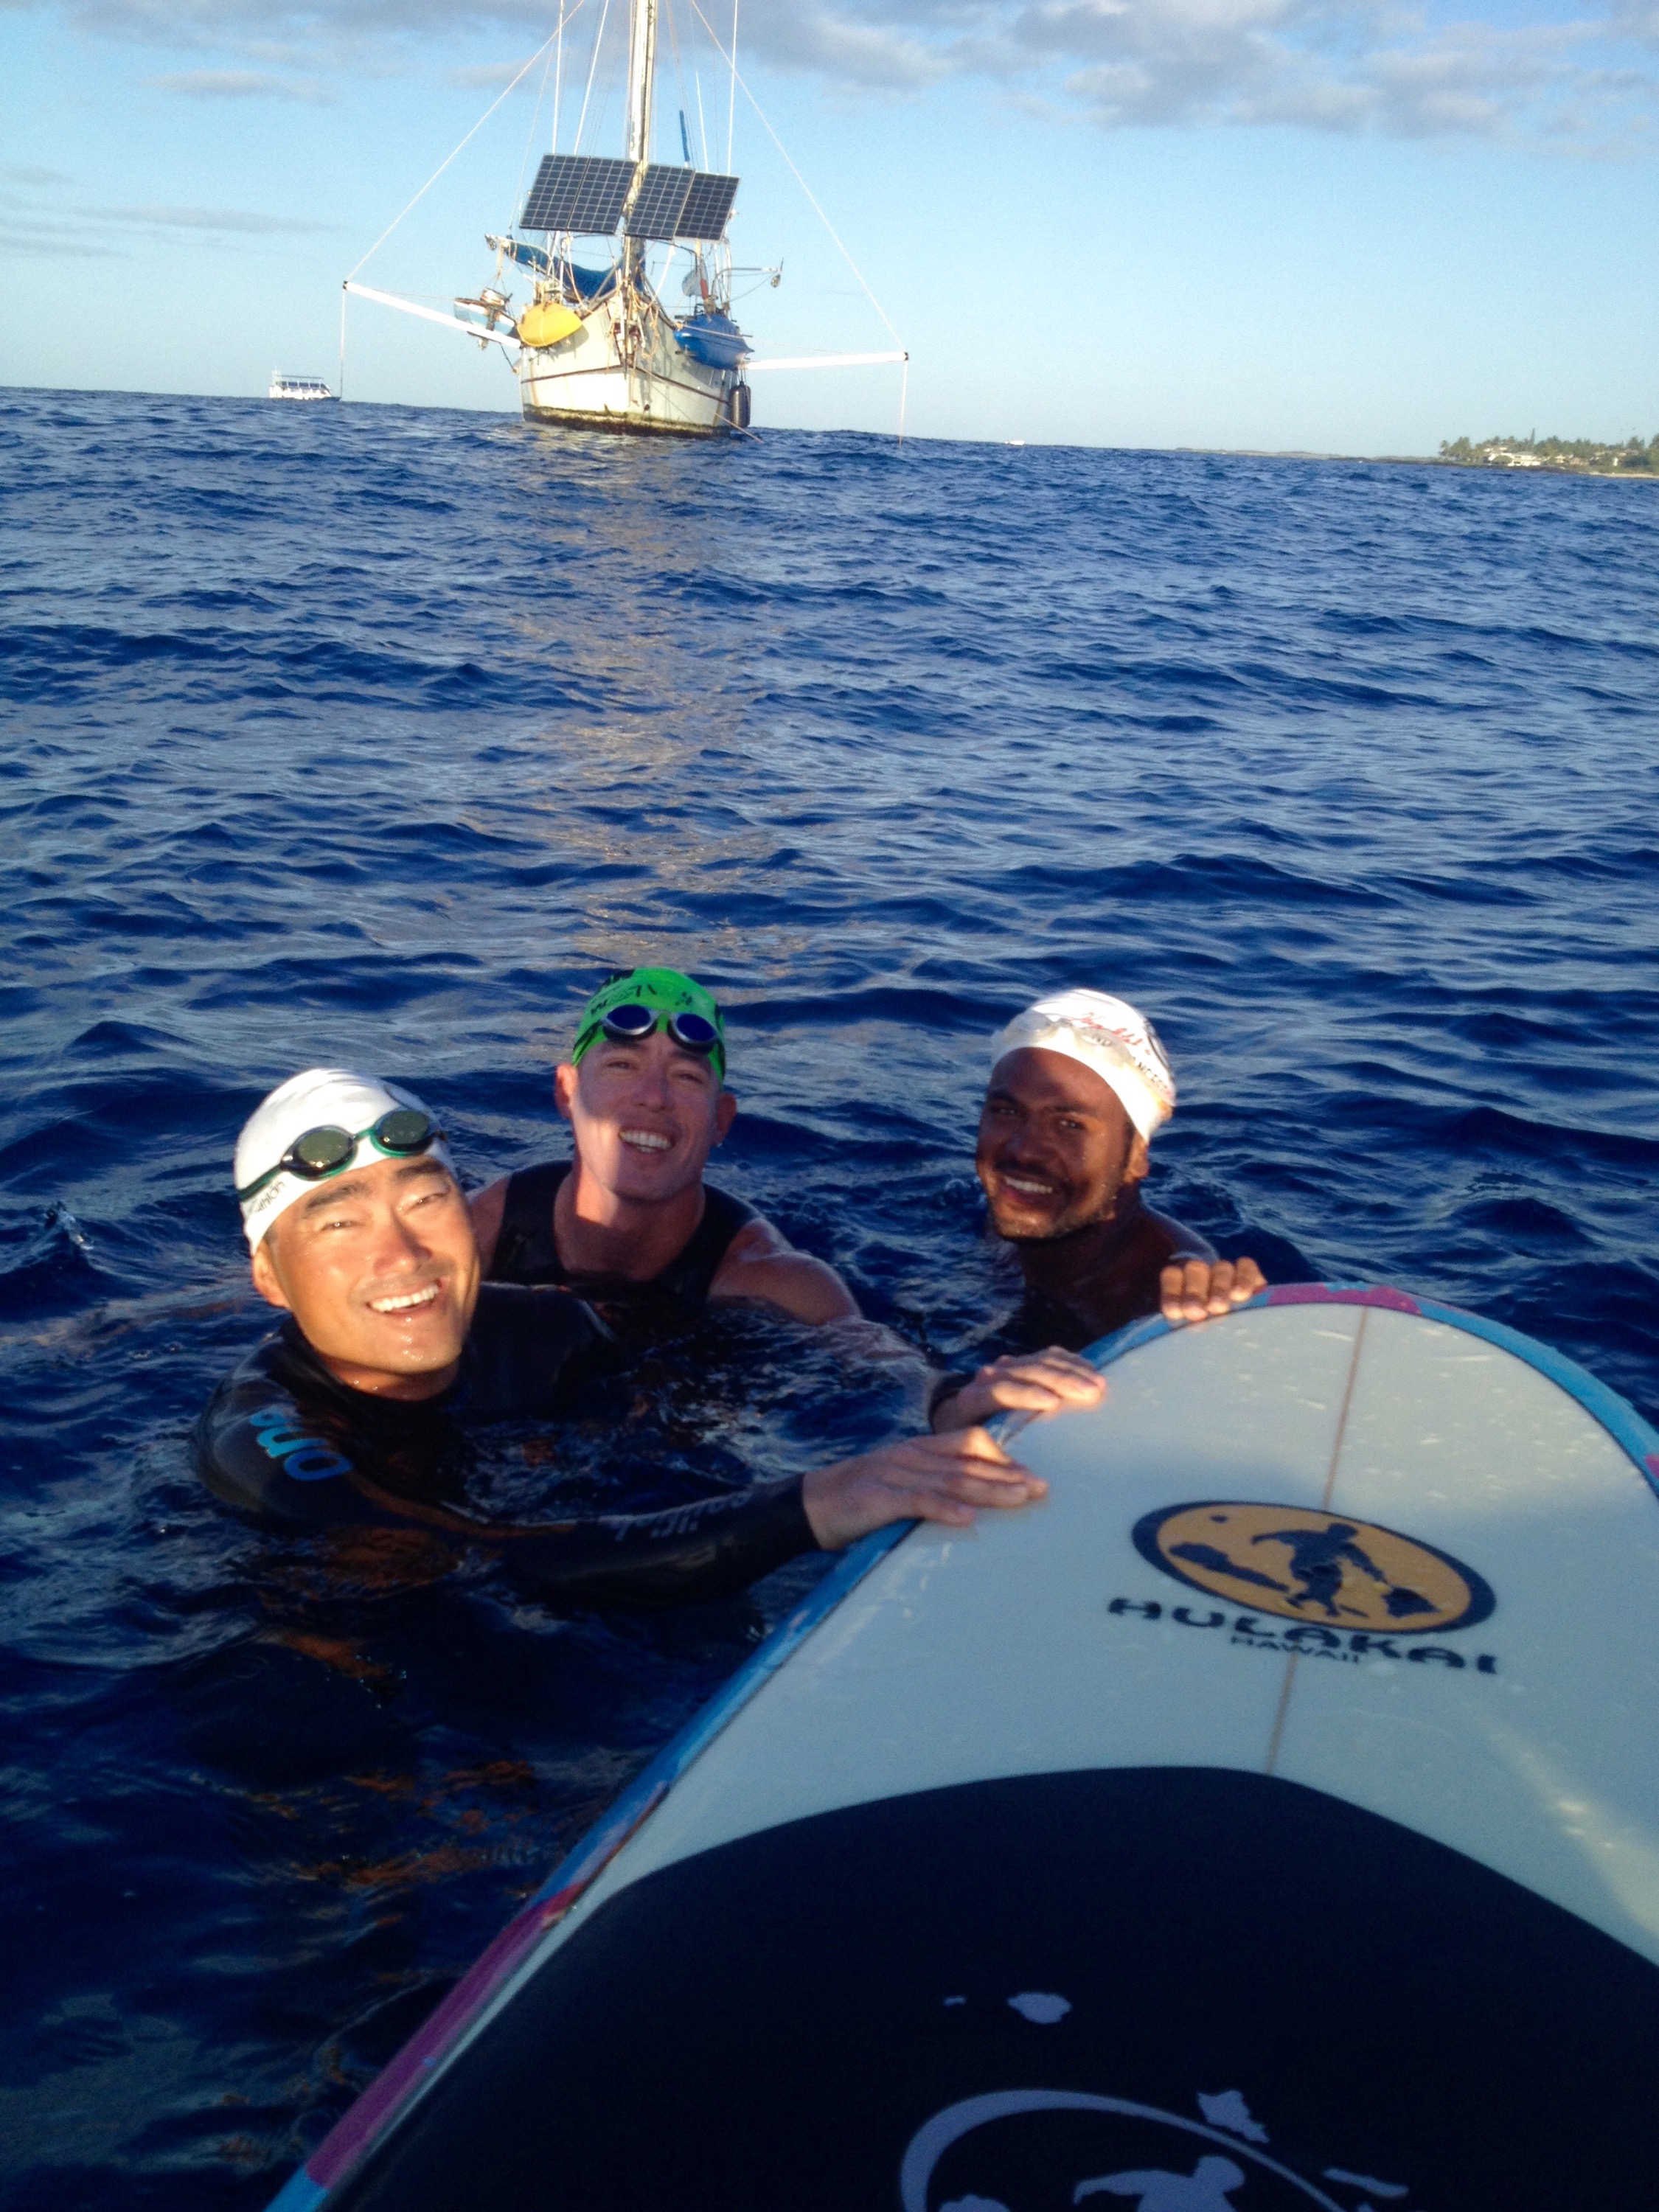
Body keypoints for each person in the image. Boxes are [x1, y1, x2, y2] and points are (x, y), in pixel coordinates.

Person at [198, 1069, 1044, 1608]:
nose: (403, 1252)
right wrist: (819, 1502)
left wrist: (933, 1401)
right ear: (269, 1276)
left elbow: (669, 1481)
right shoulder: (262, 1443)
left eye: (425, 1200)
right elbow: (482, 1561)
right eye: (339, 1224)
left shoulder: (553, 1330)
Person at [928, 990, 1265, 1433]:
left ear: (1136, 1157)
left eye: (1070, 1125)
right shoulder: (1017, 1214)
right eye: (1006, 1111)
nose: (1023, 1150)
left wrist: (1214, 1319)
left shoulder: (1159, 1295)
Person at [470, 967, 858, 1326]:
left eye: (686, 1076)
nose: (654, 1097)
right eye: (622, 1066)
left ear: (721, 1119)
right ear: (567, 1092)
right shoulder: (478, 1230)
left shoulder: (783, 1288)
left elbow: (878, 1364)